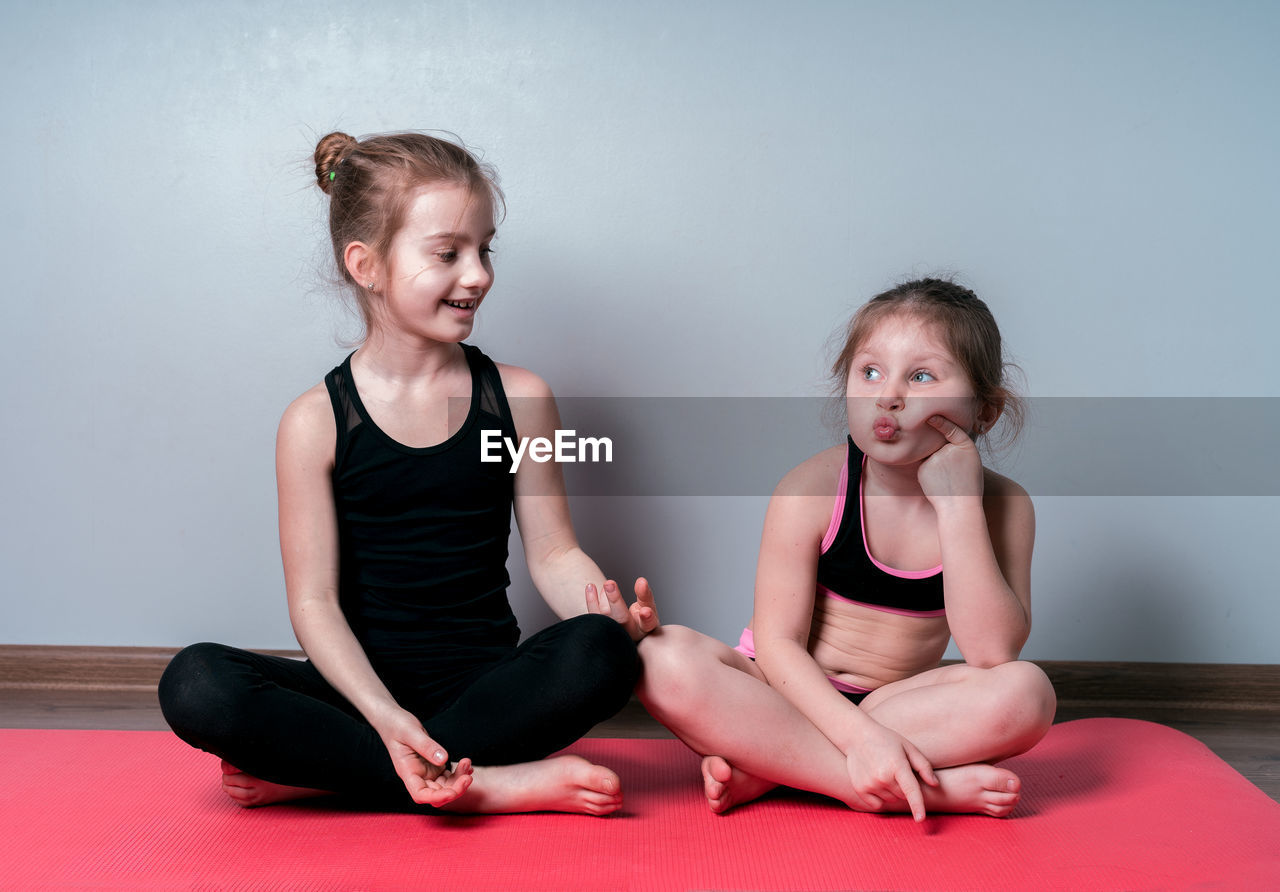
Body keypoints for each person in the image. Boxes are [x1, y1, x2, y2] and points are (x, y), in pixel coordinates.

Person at [159, 130, 657, 816]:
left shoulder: (521, 399)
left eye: (485, 250)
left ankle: (343, 776)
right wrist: (384, 717)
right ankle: (486, 783)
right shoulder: (314, 423)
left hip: (482, 688)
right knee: (195, 682)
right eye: (449, 253)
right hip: (357, 696)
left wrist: (605, 612)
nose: (478, 273)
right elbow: (314, 605)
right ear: (367, 265)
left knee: (602, 655)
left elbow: (553, 552)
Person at [636, 278, 1056, 820]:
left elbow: (992, 654)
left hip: (897, 706)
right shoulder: (810, 488)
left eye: (921, 375)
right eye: (870, 371)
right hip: (782, 692)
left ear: (985, 411)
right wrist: (859, 741)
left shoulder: (1005, 506)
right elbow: (778, 645)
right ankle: (875, 785)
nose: (889, 395)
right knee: (657, 657)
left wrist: (958, 508)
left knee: (1029, 694)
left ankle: (775, 766)